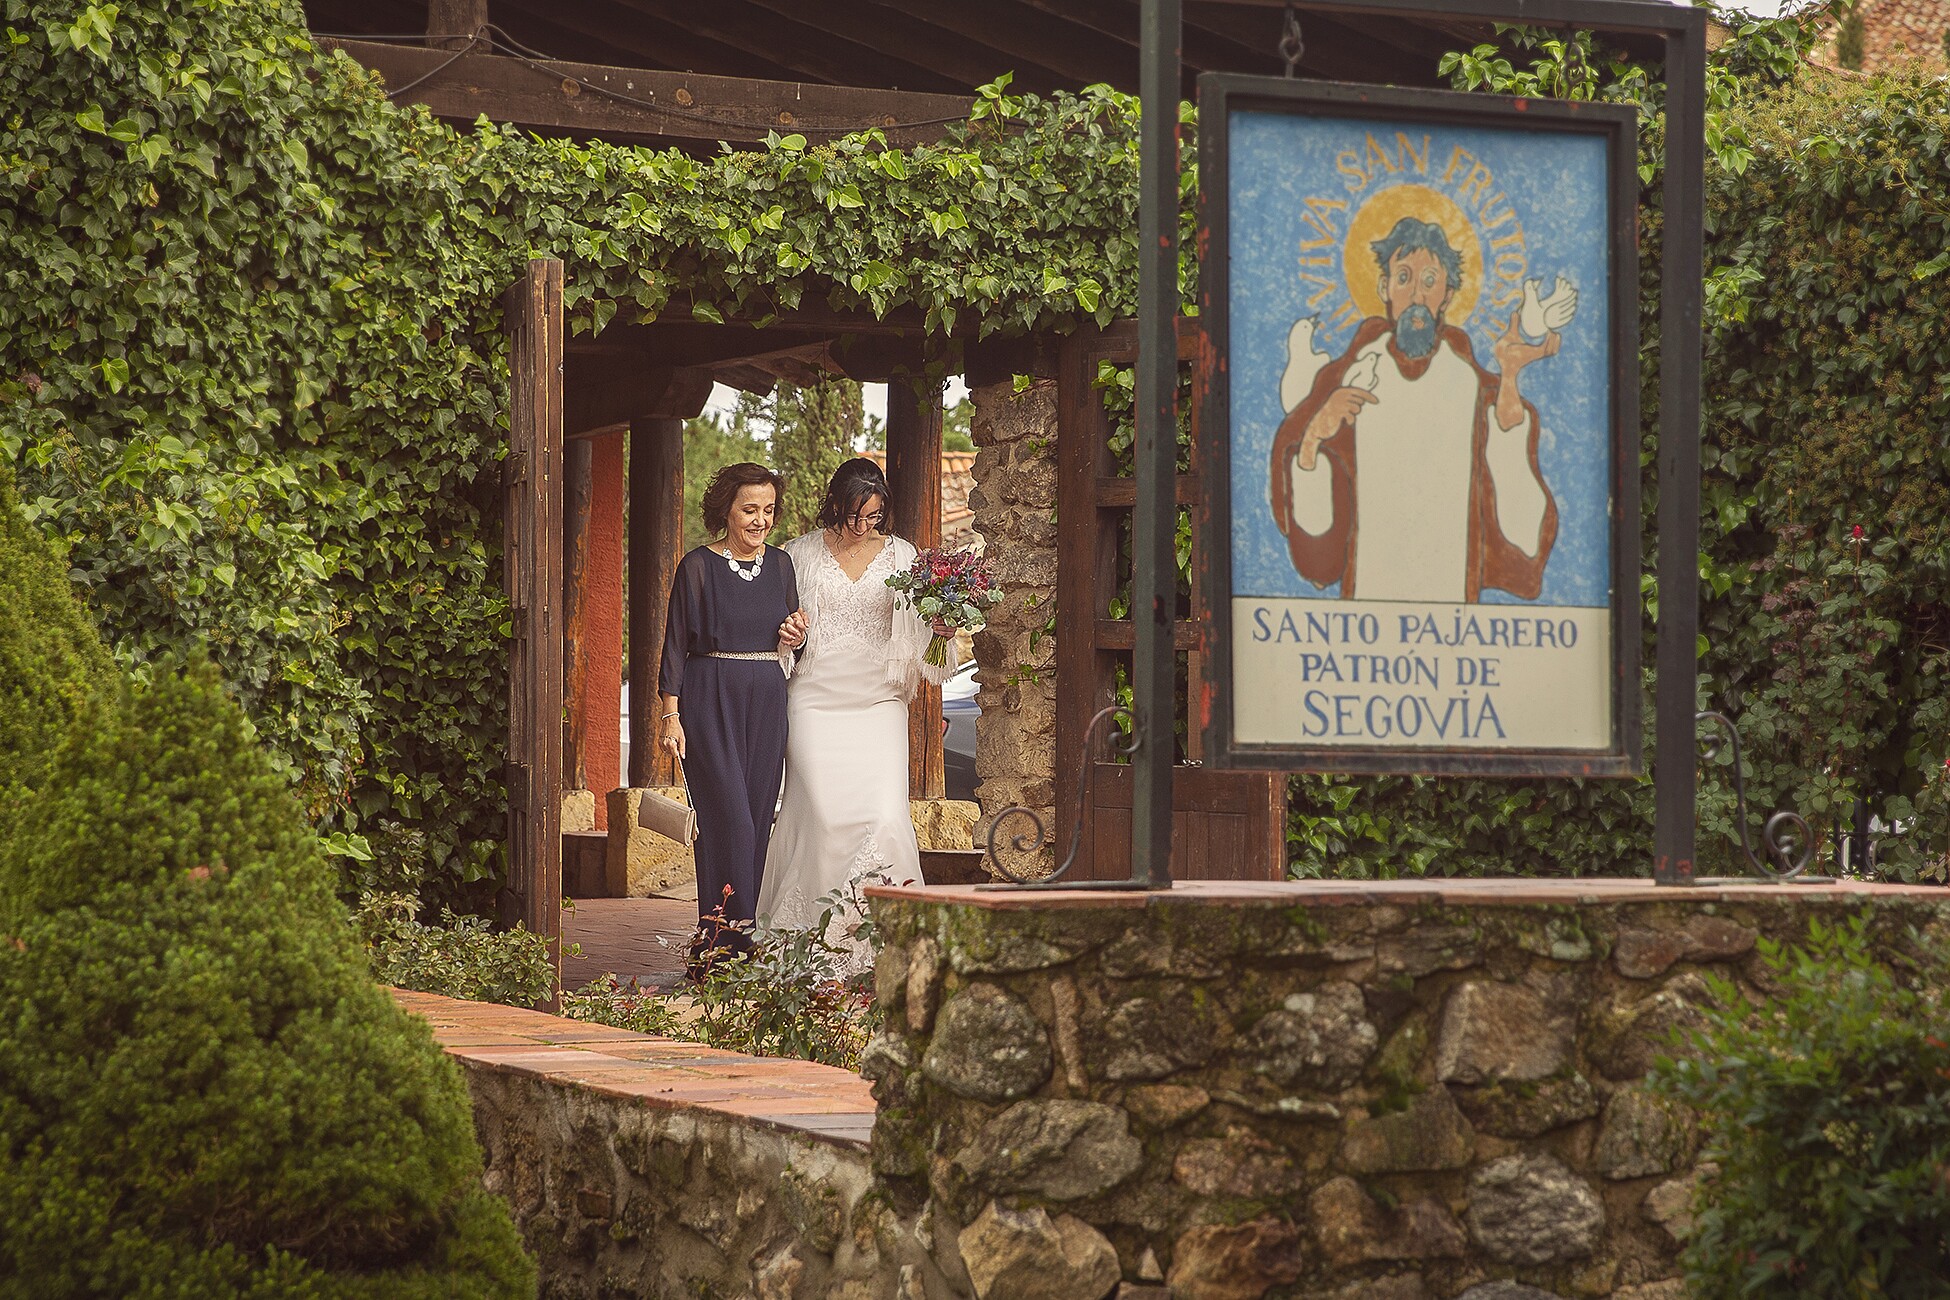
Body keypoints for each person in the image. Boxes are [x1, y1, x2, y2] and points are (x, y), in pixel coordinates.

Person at [1270, 216, 1565, 604]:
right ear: (1385, 288)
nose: (1417, 296)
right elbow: (1316, 560)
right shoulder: (1348, 376)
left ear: (1447, 294)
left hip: (1452, 614)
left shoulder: (1473, 383)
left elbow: (1518, 513)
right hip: (1366, 615)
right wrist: (1313, 438)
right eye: (1404, 278)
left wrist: (1510, 377)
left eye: (1430, 281)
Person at [757, 458, 957, 971]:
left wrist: (942, 632)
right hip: (814, 699)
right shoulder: (798, 554)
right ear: (837, 506)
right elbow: (776, 629)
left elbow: (924, 643)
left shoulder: (903, 556)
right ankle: (812, 947)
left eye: (874, 515)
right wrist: (788, 638)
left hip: (878, 701)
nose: (866, 526)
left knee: (886, 814)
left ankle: (883, 943)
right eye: (856, 516)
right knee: (822, 816)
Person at [658, 463, 808, 969]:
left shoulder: (783, 565)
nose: (761, 520)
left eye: (768, 510)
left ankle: (718, 938)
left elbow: (792, 640)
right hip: (709, 699)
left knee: (757, 819)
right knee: (730, 822)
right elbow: (675, 645)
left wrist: (795, 636)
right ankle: (733, 938)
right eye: (750, 509)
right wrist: (670, 715)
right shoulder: (697, 566)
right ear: (726, 510)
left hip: (767, 698)